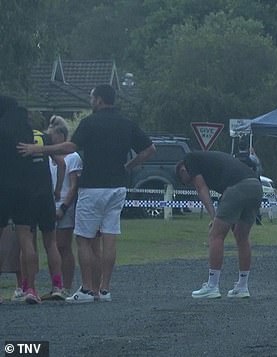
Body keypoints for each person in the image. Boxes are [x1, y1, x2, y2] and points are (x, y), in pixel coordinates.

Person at [18, 84, 156, 303]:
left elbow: (70, 147)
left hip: (93, 187)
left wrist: (40, 149)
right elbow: (150, 149)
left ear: (99, 100)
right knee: (109, 236)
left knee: (83, 239)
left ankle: (87, 289)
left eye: (92, 98)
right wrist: (129, 166)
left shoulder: (89, 123)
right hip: (117, 187)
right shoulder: (127, 124)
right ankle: (105, 289)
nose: (91, 102)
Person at [176, 151, 263, 299]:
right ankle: (242, 286)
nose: (189, 183)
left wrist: (213, 216)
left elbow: (201, 189)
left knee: (216, 234)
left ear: (182, 170)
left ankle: (212, 286)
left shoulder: (189, 160)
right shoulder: (210, 159)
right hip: (255, 186)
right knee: (242, 236)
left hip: (237, 187)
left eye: (186, 180)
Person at [0, 96, 44, 304]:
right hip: (25, 189)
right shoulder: (26, 132)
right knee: (27, 240)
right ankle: (32, 289)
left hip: (3, 187)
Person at [24, 120, 66, 302]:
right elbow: (61, 163)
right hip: (45, 194)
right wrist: (57, 189)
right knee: (51, 242)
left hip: (25, 195)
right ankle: (57, 285)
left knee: (27, 242)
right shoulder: (44, 137)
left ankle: (28, 288)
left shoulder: (17, 137)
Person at [46, 116, 82, 298]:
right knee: (51, 245)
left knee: (63, 246)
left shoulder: (73, 157)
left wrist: (64, 207)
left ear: (60, 135)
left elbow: (73, 185)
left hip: (64, 205)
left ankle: (66, 285)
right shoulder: (49, 156)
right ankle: (56, 285)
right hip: (48, 205)